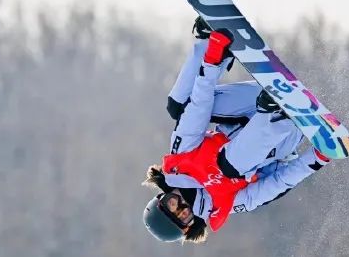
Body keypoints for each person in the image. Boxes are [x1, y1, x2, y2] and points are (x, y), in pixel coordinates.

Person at [142, 17, 333, 244]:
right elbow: (277, 184)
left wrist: (211, 62)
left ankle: (212, 41)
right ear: (189, 226)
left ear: (163, 196)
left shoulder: (179, 162)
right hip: (282, 135)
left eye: (172, 204)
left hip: (255, 102)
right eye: (183, 215)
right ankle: (275, 114)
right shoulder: (223, 205)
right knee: (229, 167)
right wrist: (316, 158)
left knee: (179, 106)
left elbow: (198, 110)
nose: (183, 205)